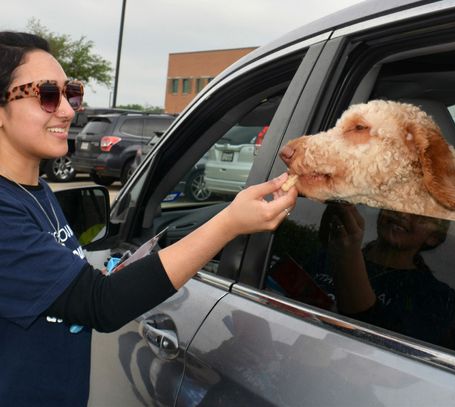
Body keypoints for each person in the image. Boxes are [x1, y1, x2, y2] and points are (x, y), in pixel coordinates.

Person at [0, 31, 297, 406]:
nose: (68, 110)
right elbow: (100, 305)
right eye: (46, 95)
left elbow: (76, 290)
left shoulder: (37, 192)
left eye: (70, 92)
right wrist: (230, 222)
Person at [320, 203, 455, 345]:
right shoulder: (329, 254)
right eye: (396, 201)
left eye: (420, 213)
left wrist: (348, 254)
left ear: (434, 237)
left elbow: (385, 345)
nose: (403, 214)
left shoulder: (436, 296)